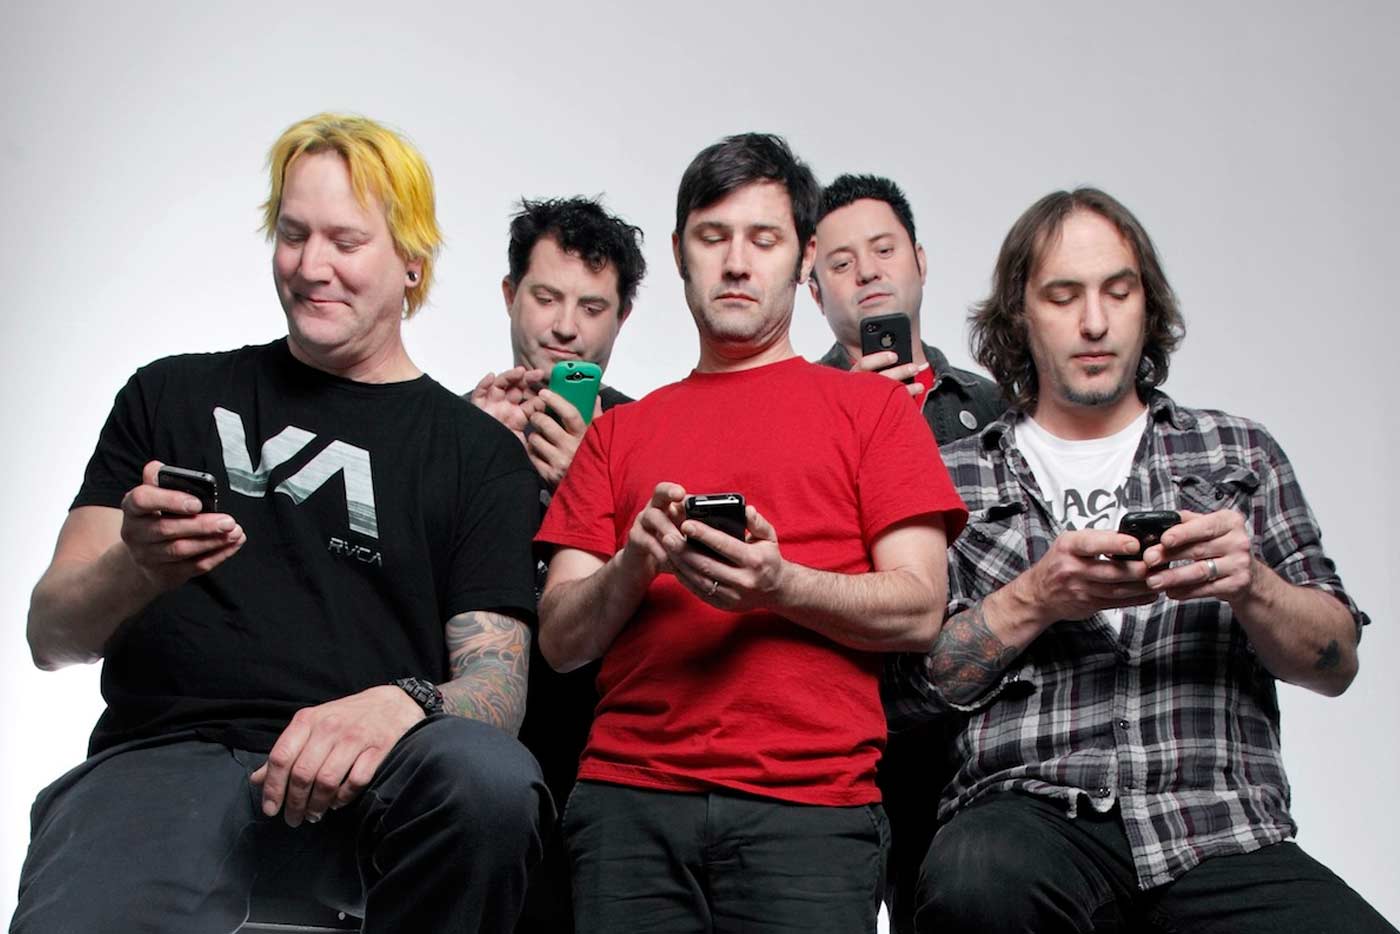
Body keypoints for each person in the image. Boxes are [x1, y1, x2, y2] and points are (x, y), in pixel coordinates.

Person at [12, 113, 548, 934]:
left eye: (345, 241)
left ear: (411, 260)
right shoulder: (170, 395)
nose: (311, 266)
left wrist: (399, 705)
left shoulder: (476, 453)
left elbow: (498, 688)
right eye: (293, 235)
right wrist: (133, 566)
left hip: (371, 776)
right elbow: (51, 636)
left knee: (489, 780)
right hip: (166, 765)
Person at [886, 186, 1394, 933]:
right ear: (1020, 317)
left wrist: (1252, 586)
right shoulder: (956, 477)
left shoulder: (1238, 453)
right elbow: (901, 694)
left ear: (1146, 307)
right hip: (1029, 818)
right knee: (972, 881)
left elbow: (1336, 662)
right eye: (1063, 296)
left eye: (1117, 292)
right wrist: (1036, 599)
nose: (1094, 322)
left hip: (1219, 824)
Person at [535, 132, 967, 934]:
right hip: (628, 804)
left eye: (763, 240)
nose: (736, 264)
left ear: (804, 257)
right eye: (713, 238)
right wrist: (635, 562)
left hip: (811, 809)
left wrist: (779, 584)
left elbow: (920, 608)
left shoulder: (875, 410)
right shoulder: (618, 432)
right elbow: (560, 641)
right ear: (679, 253)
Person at [809, 172, 1005, 932]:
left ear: (920, 261)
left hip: (981, 725)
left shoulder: (995, 407)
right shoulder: (800, 407)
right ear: (814, 291)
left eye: (884, 250)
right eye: (841, 263)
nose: (867, 272)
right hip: (845, 719)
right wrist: (851, 421)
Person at [469, 195, 647, 931]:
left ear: (621, 318)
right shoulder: (458, 424)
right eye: (545, 298)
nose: (565, 326)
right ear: (510, 296)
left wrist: (591, 480)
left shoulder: (650, 436)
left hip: (611, 762)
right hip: (477, 763)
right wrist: (466, 453)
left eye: (592, 306)